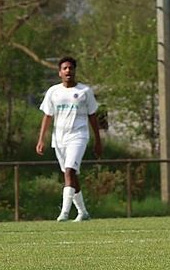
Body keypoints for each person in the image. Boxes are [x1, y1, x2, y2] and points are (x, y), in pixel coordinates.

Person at [36, 57, 103, 221]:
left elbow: (92, 116)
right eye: (65, 68)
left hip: (78, 136)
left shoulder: (84, 91)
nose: (68, 71)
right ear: (60, 72)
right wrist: (41, 139)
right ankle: (83, 212)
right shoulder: (53, 92)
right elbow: (47, 116)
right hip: (59, 139)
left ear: (74, 71)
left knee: (69, 171)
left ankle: (64, 213)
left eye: (71, 68)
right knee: (71, 175)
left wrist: (98, 140)